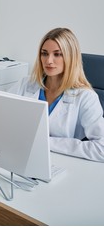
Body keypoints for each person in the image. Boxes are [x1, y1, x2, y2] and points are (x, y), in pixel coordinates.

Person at [9, 27, 104, 162]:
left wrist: (47, 143)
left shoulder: (85, 97)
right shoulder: (26, 84)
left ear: (71, 57)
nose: (48, 61)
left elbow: (101, 149)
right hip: (21, 155)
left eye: (57, 54)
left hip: (63, 162)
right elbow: (1, 116)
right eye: (44, 53)